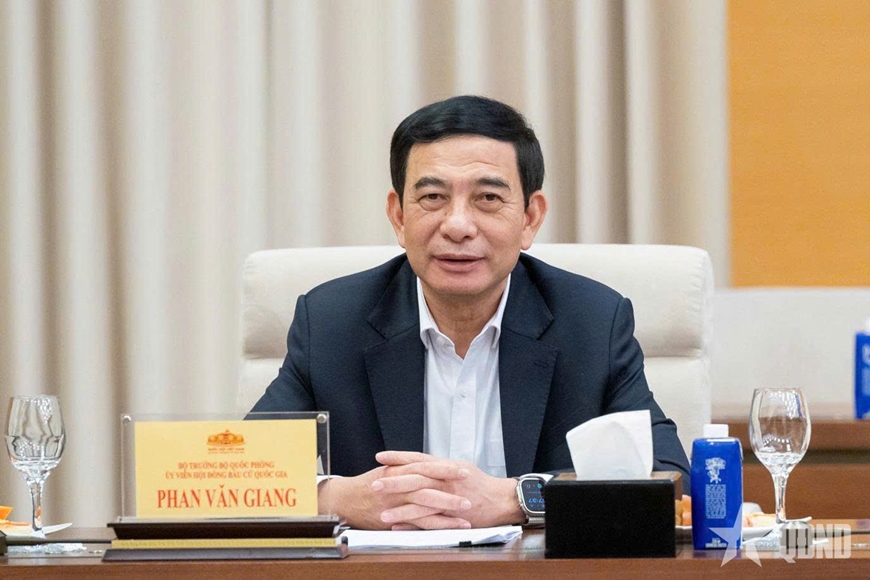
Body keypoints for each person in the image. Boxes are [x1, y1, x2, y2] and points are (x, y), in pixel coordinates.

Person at [250, 95, 690, 530]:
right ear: (399, 216)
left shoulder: (592, 322)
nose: (457, 225)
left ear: (530, 218)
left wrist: (518, 498)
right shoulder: (331, 323)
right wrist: (337, 499)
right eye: (433, 197)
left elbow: (670, 482)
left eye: (488, 198)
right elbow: (237, 478)